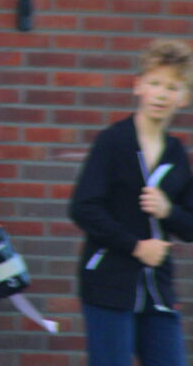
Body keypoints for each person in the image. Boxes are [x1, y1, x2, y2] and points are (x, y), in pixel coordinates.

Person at [69, 39, 193, 366]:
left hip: (157, 290)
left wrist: (168, 210)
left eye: (172, 87)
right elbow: (83, 207)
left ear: (184, 98)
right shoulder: (113, 142)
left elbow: (190, 225)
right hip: (108, 284)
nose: (162, 94)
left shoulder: (176, 154)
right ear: (138, 86)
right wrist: (136, 247)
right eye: (155, 83)